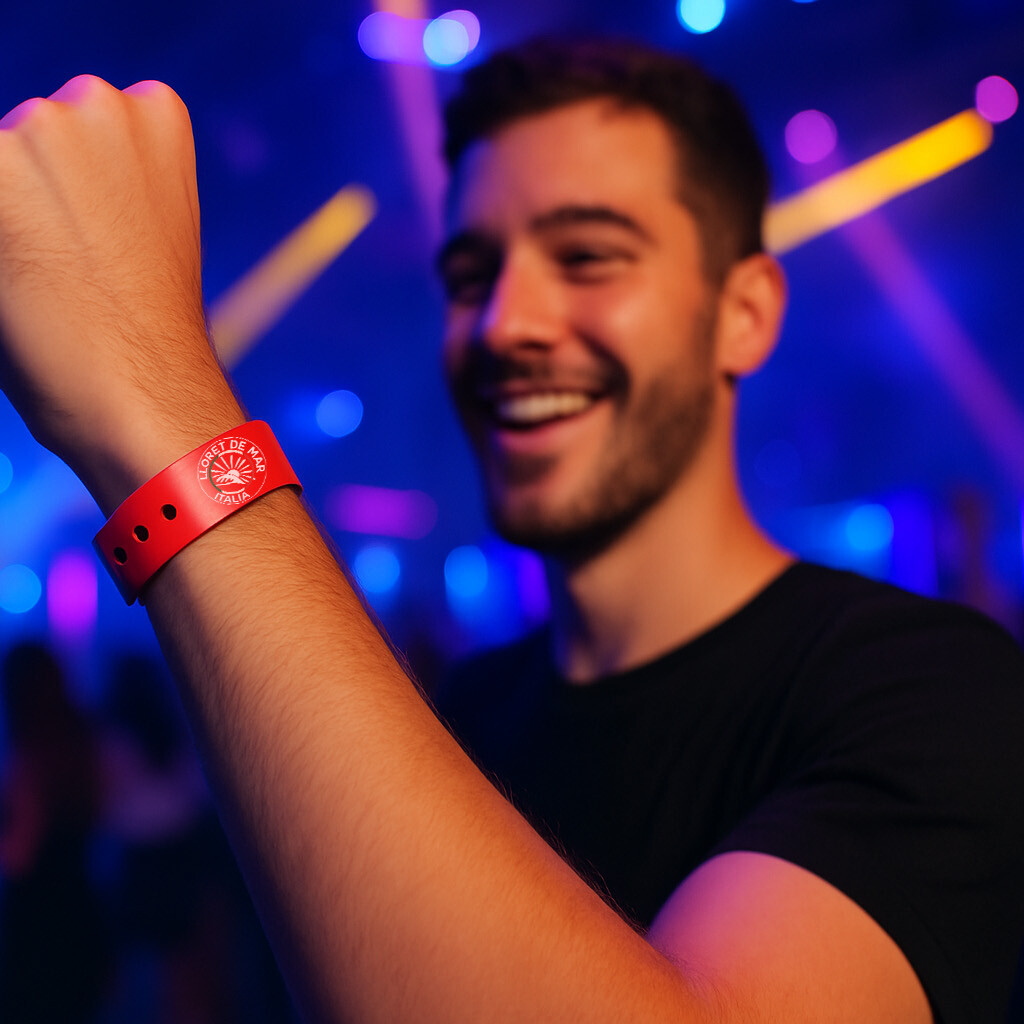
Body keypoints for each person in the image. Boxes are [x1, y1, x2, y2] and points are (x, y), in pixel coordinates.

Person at [0, 34, 1021, 1024]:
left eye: (587, 257)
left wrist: (158, 397)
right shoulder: (463, 710)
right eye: (469, 276)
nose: (504, 322)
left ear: (743, 312)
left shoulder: (927, 688)